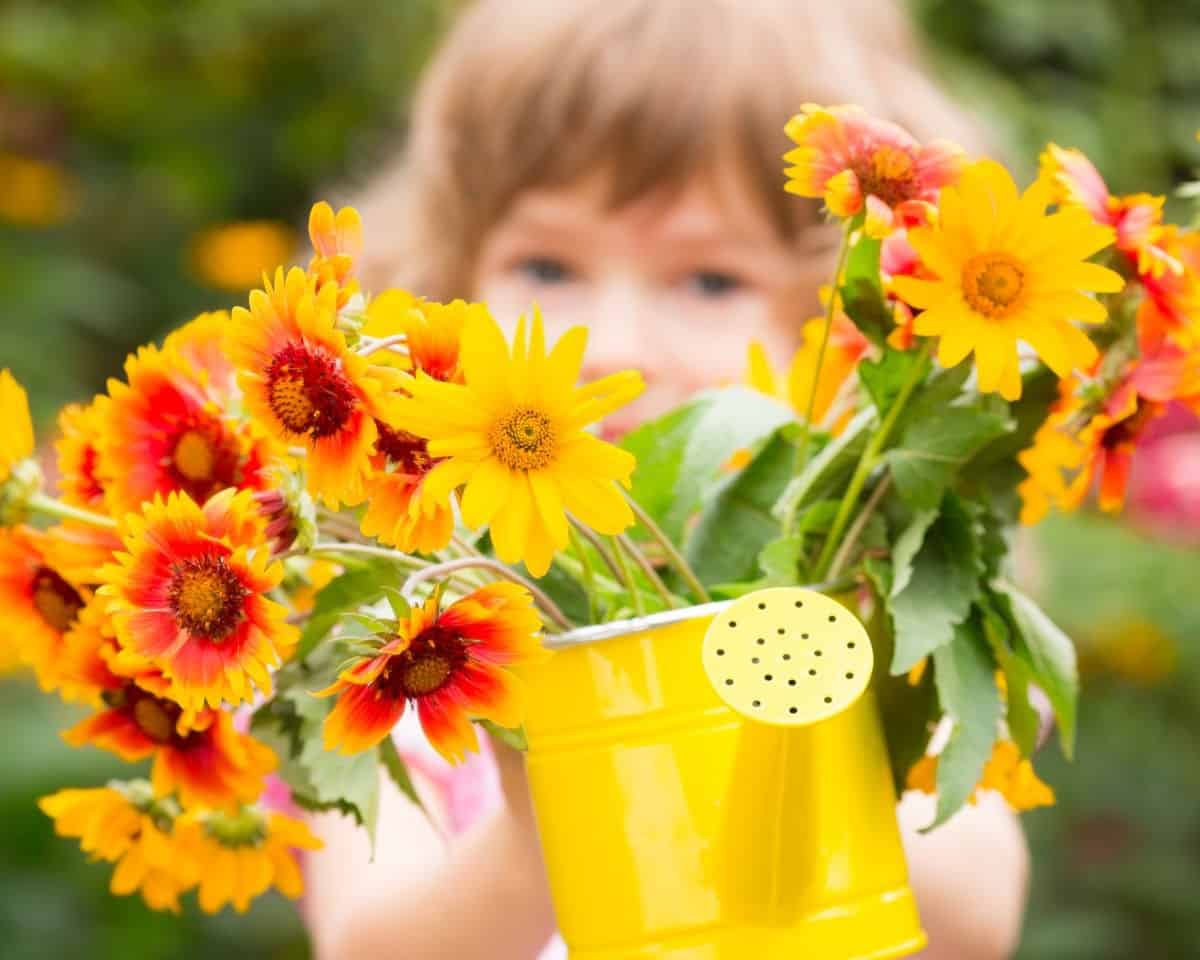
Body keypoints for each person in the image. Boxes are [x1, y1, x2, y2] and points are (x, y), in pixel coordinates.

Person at [304, 1, 1030, 957]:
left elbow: (974, 914)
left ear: (852, 323)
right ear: (454, 274)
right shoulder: (408, 644)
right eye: (548, 264)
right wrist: (544, 824)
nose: (614, 342)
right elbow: (366, 945)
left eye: (709, 280)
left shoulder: (878, 611)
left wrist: (783, 726)